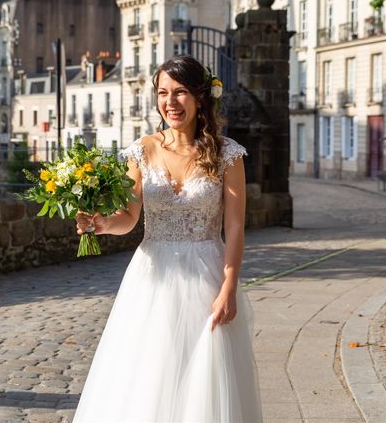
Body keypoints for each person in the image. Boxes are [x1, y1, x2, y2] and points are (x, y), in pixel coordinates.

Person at [73, 55, 262, 422]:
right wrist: (98, 224)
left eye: (180, 93)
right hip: (151, 277)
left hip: (206, 275)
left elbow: (235, 227)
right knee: (148, 375)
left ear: (200, 97)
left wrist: (229, 288)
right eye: (163, 93)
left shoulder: (227, 154)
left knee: (202, 380)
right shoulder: (142, 150)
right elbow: (128, 218)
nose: (170, 102)